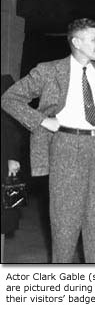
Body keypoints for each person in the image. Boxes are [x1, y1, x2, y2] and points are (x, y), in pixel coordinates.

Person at [1, 18, 95, 263]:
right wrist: (41, 120)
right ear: (76, 42)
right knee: (65, 226)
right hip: (66, 146)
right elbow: (10, 98)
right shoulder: (50, 70)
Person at [1, 75, 23, 263]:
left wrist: (13, 157)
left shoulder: (5, 83)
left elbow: (13, 126)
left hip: (4, 159)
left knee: (4, 212)